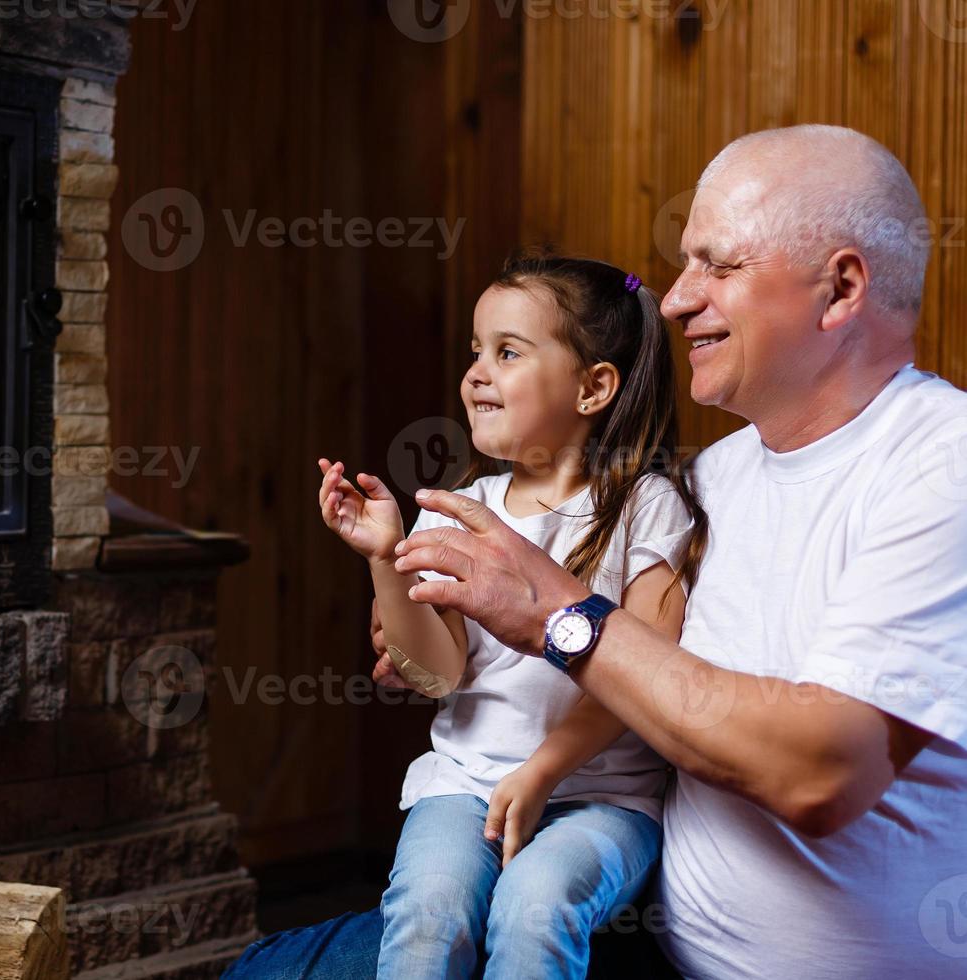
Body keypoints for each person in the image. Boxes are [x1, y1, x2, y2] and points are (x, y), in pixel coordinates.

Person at [389, 125, 967, 978]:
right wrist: (423, 632)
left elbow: (820, 773)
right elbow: (644, 676)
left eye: (718, 266)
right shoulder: (713, 480)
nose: (671, 299)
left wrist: (554, 613)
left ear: (841, 289)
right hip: (637, 940)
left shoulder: (941, 460)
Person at [304, 253, 704, 980]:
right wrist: (385, 556)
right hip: (465, 784)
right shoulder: (467, 510)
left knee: (535, 905)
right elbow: (435, 674)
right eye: (476, 352)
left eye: (507, 352)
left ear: (593, 387)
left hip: (603, 801)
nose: (476, 373)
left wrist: (544, 770)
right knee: (429, 907)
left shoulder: (646, 509)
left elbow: (645, 673)